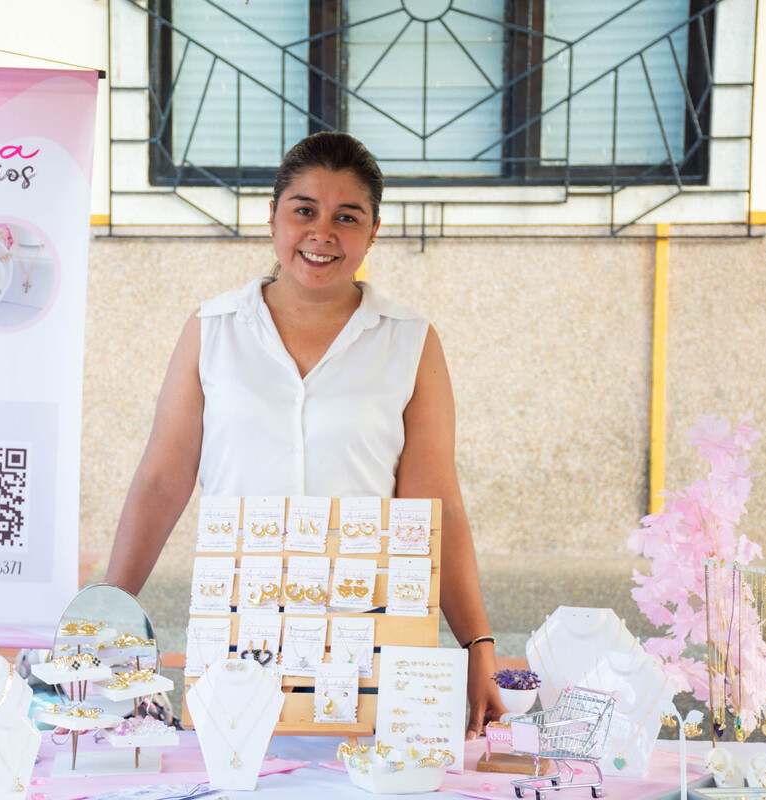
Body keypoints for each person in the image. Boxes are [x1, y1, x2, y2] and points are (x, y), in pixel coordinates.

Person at [104, 131, 505, 736]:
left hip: (368, 634)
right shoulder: (213, 329)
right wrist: (107, 614)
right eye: (304, 211)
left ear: (373, 232)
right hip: (236, 631)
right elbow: (161, 481)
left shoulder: (410, 341)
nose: (323, 233)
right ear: (272, 219)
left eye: (347, 217)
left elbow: (435, 506)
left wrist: (478, 642)